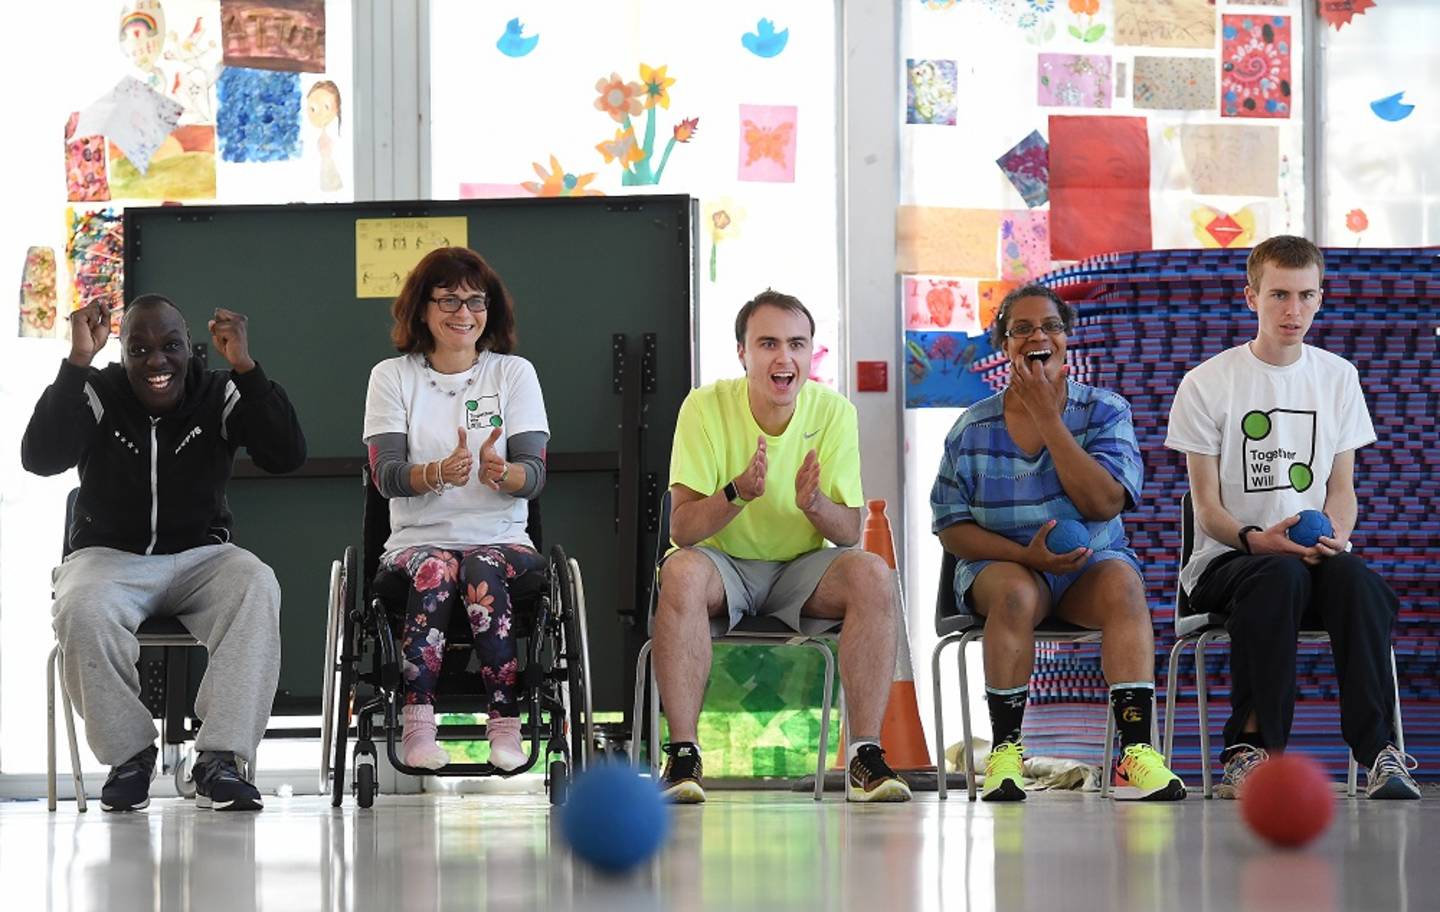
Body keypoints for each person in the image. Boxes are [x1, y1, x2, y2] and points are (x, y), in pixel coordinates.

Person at [23, 294, 306, 812]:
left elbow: (286, 454)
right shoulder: (97, 390)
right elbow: (40, 457)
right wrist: (77, 362)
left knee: (255, 582)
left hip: (201, 558)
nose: (157, 361)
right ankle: (130, 757)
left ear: (192, 350)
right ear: (122, 353)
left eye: (170, 346)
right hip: (109, 558)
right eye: (140, 349)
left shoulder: (219, 390)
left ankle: (219, 760)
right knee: (80, 605)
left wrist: (245, 367)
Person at [1165, 235, 1419, 799]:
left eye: (1306, 296)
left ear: (1321, 298)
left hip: (1309, 559)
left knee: (1361, 584)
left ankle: (1381, 752)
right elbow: (1205, 509)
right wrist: (1259, 540)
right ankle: (1250, 751)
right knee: (1275, 577)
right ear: (1250, 296)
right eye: (1279, 294)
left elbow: (1342, 489)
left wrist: (1336, 538)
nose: (1293, 310)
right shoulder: (1207, 383)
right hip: (1228, 561)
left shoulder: (1337, 377)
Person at [931, 283, 1185, 802]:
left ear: (1067, 340)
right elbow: (952, 528)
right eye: (1020, 329)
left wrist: (1048, 417)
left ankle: (1135, 754)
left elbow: (1103, 504)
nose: (1036, 336)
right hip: (1004, 566)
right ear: (1005, 346)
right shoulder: (970, 428)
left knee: (1123, 584)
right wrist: (1025, 556)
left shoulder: (1104, 411)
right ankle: (1006, 751)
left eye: (1049, 326)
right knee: (1016, 593)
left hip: (1088, 567)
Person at [655, 289, 910, 804]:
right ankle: (683, 756)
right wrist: (737, 493)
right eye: (767, 343)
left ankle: (865, 754)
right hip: (722, 565)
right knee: (679, 571)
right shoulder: (704, 407)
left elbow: (845, 533)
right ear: (742, 353)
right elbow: (682, 530)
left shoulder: (833, 411)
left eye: (797, 343)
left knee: (873, 573)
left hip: (801, 569)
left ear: (811, 353)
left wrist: (813, 502)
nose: (783, 357)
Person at [363, 246, 549, 772]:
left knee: (479, 565)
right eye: (447, 300)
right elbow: (386, 476)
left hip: (503, 542)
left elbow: (533, 476)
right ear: (422, 309)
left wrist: (501, 472)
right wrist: (437, 474)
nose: (463, 313)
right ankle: (418, 727)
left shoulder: (514, 374)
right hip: (415, 545)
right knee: (438, 566)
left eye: (474, 301)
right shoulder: (391, 377)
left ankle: (506, 726)